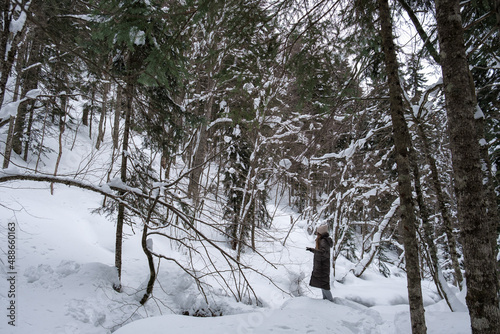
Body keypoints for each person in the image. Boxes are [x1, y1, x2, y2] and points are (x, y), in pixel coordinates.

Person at [306, 224, 334, 302]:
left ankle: (330, 301)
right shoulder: (323, 240)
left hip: (323, 266)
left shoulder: (323, 241)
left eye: (318, 233)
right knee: (323, 284)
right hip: (322, 266)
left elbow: (323, 253)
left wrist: (312, 250)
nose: (317, 234)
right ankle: (326, 301)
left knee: (324, 285)